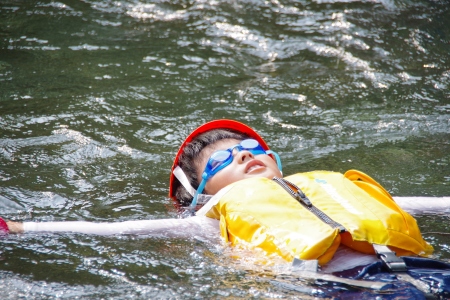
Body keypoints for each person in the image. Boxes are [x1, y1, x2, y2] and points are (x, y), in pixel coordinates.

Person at [2, 119, 450, 297]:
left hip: (423, 267)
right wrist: (18, 228)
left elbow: (435, 206)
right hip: (344, 289)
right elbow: (123, 230)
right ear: (198, 195)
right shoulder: (212, 219)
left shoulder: (329, 186)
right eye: (219, 160)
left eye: (252, 146)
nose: (241, 154)